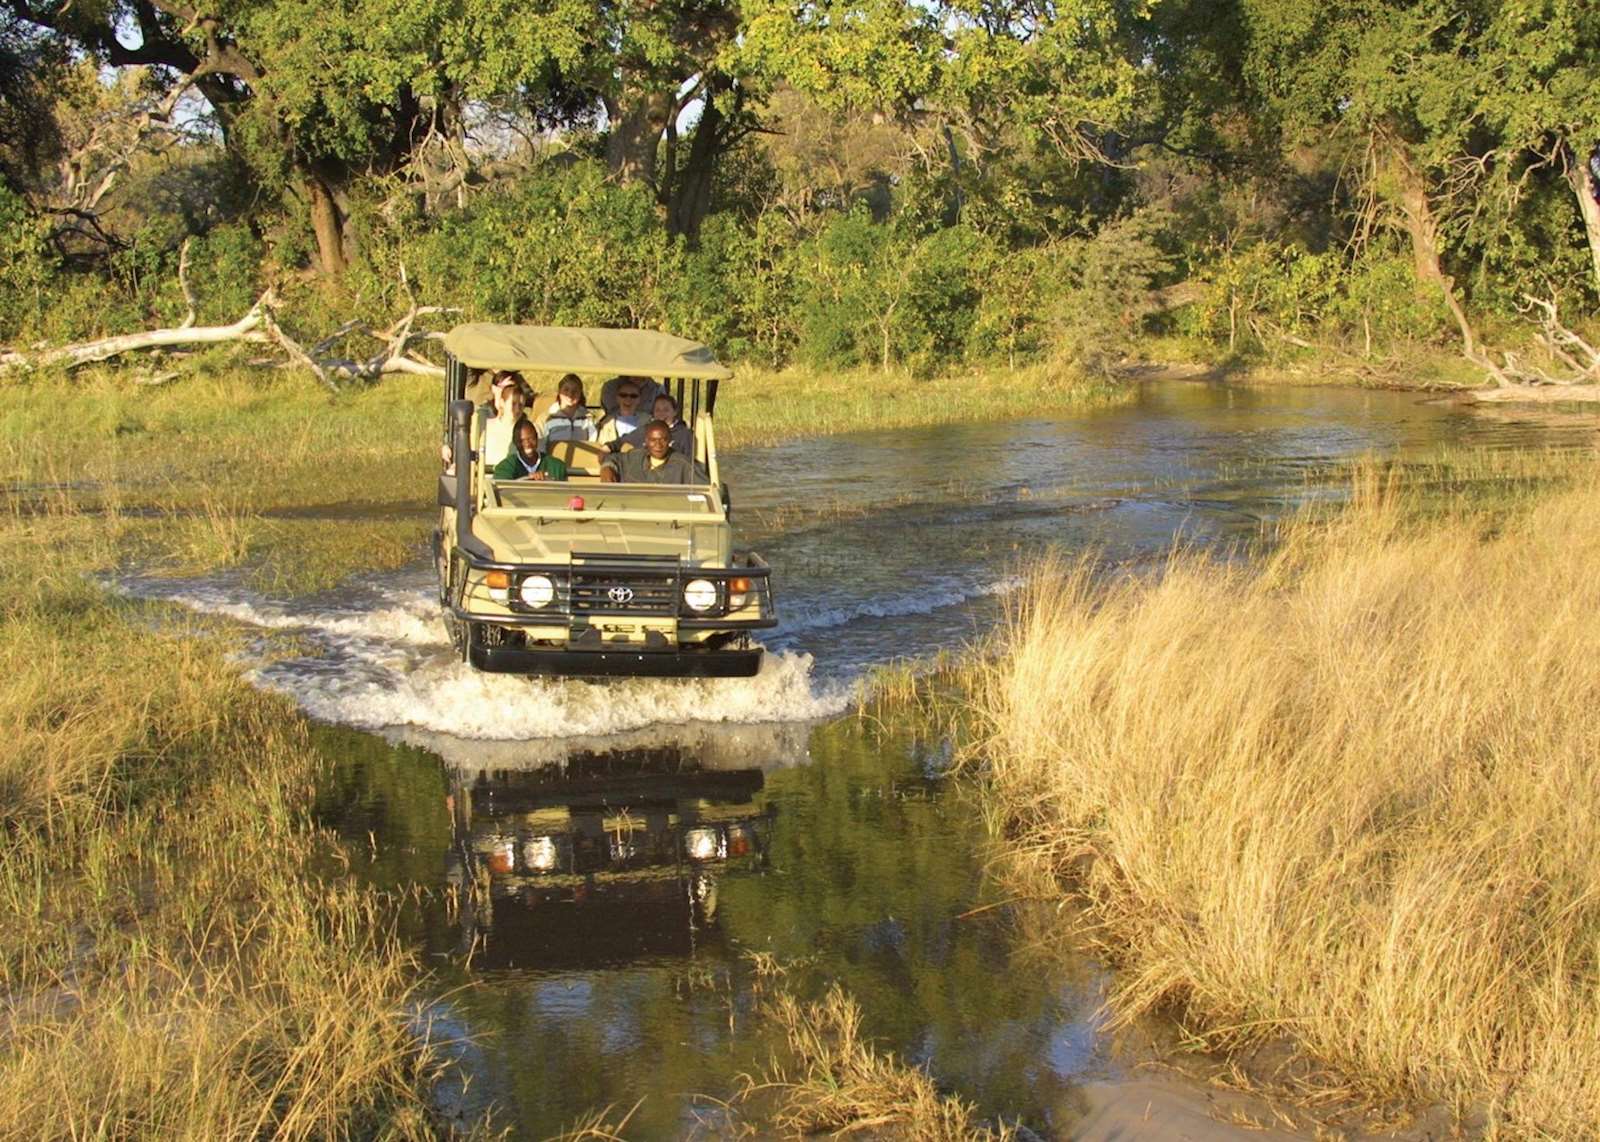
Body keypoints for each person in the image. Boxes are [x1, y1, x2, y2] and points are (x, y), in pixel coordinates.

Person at [599, 420, 698, 484]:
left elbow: (706, 491)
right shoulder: (635, 457)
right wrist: (607, 468)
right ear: (646, 441)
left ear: (669, 440)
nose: (658, 445)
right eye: (653, 440)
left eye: (663, 440)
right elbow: (613, 459)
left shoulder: (684, 466)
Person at [479, 372, 528, 469]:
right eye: (513, 404)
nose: (517, 410)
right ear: (502, 402)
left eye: (521, 405)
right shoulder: (484, 427)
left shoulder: (527, 432)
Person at [618, 393, 692, 456]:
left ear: (675, 412)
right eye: (657, 410)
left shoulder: (684, 434)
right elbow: (620, 442)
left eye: (666, 410)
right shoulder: (645, 429)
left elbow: (688, 461)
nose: (661, 414)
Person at [493, 420, 568, 481]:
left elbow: (564, 494)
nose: (527, 444)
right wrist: (526, 480)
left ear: (537, 437)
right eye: (522, 440)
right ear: (515, 442)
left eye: (531, 439)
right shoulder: (504, 468)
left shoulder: (556, 466)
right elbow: (503, 493)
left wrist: (548, 481)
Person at [538, 373, 598, 448]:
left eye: (575, 391)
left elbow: (595, 443)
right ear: (559, 392)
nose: (570, 394)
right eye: (566, 390)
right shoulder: (545, 418)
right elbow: (539, 445)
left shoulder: (589, 418)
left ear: (580, 393)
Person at [594, 378, 648, 448]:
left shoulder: (649, 422)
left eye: (633, 396)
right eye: (623, 395)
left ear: (639, 399)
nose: (628, 399)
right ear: (617, 398)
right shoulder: (605, 424)